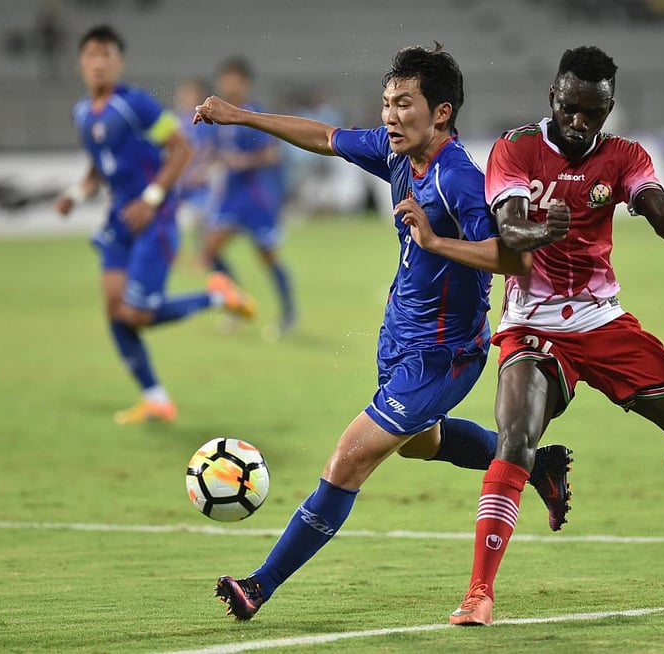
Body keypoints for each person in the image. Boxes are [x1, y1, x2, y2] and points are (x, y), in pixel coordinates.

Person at [192, 44, 572, 622]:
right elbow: (324, 137)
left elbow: (509, 257)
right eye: (387, 103)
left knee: (348, 460)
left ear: (440, 112)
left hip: (444, 355)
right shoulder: (397, 153)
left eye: (404, 104)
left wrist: (436, 242)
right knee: (422, 442)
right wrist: (242, 116)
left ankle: (258, 585)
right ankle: (535, 463)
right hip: (398, 340)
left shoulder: (458, 179)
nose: (390, 116)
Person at [404, 45, 664, 626]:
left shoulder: (623, 156)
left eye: (591, 112)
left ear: (608, 109)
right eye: (568, 107)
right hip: (532, 325)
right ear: (552, 98)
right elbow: (508, 225)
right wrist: (539, 228)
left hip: (601, 319)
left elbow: (658, 209)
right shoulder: (516, 148)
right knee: (515, 439)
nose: (578, 122)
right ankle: (478, 593)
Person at [55, 25, 255, 424]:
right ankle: (156, 399)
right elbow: (100, 164)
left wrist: (151, 198)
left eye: (106, 55)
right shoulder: (83, 113)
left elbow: (182, 146)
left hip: (155, 217)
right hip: (119, 220)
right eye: (91, 55)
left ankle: (218, 295)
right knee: (115, 309)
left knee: (138, 314)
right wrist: (77, 193)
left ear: (119, 61)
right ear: (81, 62)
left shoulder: (135, 105)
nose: (98, 63)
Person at [201, 57, 297, 335]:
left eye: (233, 79)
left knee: (267, 257)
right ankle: (235, 303)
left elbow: (272, 153)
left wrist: (242, 161)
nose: (227, 84)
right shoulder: (218, 115)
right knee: (209, 251)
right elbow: (215, 151)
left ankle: (288, 313)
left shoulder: (255, 113)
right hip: (230, 197)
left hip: (255, 198)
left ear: (245, 82)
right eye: (224, 78)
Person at [173, 77, 217, 252]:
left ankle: (215, 269)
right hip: (180, 184)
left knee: (205, 238)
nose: (184, 96)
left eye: (189, 93)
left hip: (200, 187)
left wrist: (202, 170)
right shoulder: (177, 121)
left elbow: (211, 150)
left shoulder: (205, 123)